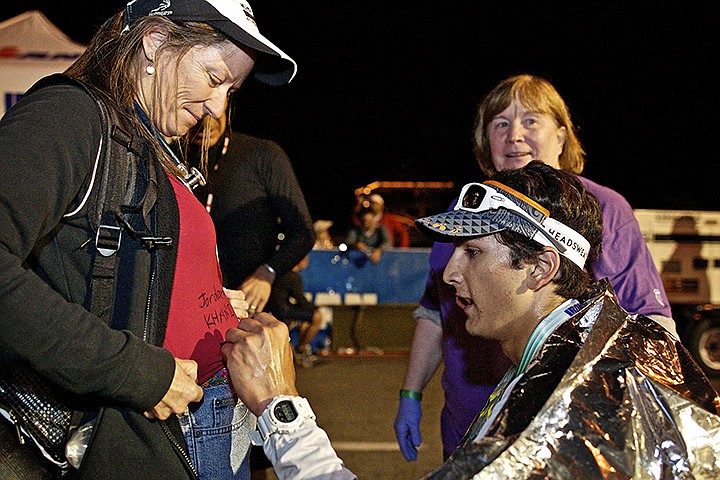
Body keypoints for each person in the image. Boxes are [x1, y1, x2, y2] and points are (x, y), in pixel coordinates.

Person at [221, 162, 720, 479]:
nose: (450, 272)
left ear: (541, 268)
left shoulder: (553, 414)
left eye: (474, 252)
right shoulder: (599, 340)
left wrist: (279, 409)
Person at [0, 0, 297, 478]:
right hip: (153, 427)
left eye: (231, 91)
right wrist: (136, 372)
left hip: (210, 419)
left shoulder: (144, 139)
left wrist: (202, 300)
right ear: (155, 41)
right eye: (214, 78)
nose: (218, 107)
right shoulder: (69, 116)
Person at [395, 74, 677, 462]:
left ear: (561, 137)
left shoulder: (603, 211)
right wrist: (411, 393)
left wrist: (650, 422)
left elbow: (653, 325)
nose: (514, 135)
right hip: (471, 422)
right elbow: (435, 312)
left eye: (530, 120)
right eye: (500, 124)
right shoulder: (465, 210)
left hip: (561, 430)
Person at [186, 104, 315, 316]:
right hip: (194, 305)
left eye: (212, 111)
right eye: (197, 113)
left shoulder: (262, 153)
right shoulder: (171, 159)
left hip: (250, 309)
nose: (206, 124)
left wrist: (268, 272)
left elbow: (304, 232)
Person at [265, 255, 323, 368]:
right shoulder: (293, 276)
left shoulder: (280, 273)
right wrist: (315, 308)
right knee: (317, 317)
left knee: (306, 320)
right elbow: (300, 300)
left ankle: (300, 350)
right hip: (282, 311)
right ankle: (301, 348)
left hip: (274, 309)